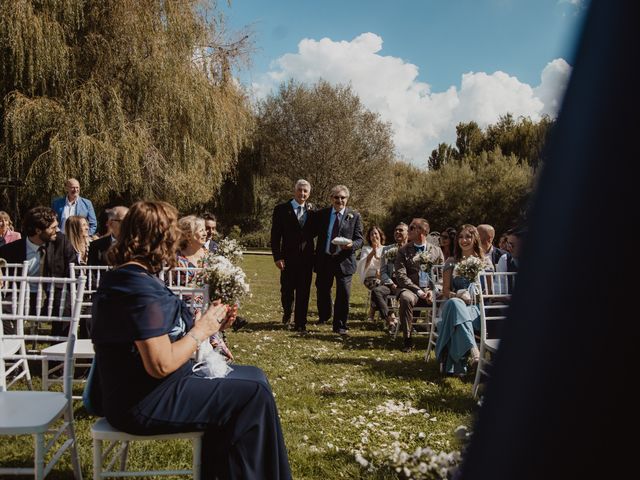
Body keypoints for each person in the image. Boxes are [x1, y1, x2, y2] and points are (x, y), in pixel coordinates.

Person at [90, 200, 291, 479]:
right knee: (252, 396)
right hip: (144, 401)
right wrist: (201, 331)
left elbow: (159, 337)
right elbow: (159, 364)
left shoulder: (132, 276)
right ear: (160, 238)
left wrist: (208, 323)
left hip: (152, 388)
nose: (176, 241)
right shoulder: (136, 287)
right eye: (172, 234)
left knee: (256, 377)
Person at [0, 206, 76, 336]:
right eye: (52, 228)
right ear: (38, 230)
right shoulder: (11, 250)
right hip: (20, 295)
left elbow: (75, 268)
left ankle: (58, 354)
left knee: (65, 308)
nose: (57, 231)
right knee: (2, 311)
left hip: (53, 294)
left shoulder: (61, 242)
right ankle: (13, 351)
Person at [435, 224, 493, 375]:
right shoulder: (451, 261)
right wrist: (458, 295)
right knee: (455, 303)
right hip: (453, 304)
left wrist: (476, 294)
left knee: (458, 315)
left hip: (477, 308)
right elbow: (446, 290)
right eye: (461, 237)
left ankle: (456, 361)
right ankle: (475, 354)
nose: (464, 240)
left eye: (468, 236)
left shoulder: (485, 261)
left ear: (475, 239)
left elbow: (489, 292)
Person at [313, 185, 363, 335]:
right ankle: (325, 315)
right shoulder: (322, 214)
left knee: (343, 294)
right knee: (322, 289)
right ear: (331, 198)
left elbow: (360, 240)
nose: (339, 200)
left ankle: (340, 325)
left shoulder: (354, 216)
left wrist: (351, 245)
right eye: (336, 197)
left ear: (347, 199)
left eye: (342, 198)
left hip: (344, 260)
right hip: (325, 259)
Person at [270, 179, 315, 332]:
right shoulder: (281, 209)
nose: (302, 193)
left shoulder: (313, 210)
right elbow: (275, 236)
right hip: (287, 259)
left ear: (308, 194)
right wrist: (277, 257)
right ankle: (288, 312)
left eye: (305, 191)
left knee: (304, 291)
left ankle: (300, 322)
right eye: (300, 190)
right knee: (287, 290)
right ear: (294, 191)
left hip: (306, 259)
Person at [394, 218, 444, 352]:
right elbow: (401, 276)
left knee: (448, 298)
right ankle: (408, 339)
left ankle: (441, 338)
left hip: (432, 290)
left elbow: (442, 276)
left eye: (411, 228)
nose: (408, 231)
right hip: (411, 289)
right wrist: (419, 291)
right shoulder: (403, 251)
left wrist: (434, 290)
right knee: (405, 298)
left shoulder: (437, 251)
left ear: (422, 231)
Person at [371, 222, 409, 331]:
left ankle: (408, 323)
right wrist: (390, 283)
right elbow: (383, 271)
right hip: (390, 283)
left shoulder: (411, 249)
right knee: (376, 291)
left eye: (401, 230)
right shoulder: (387, 249)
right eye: (396, 230)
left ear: (408, 233)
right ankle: (390, 320)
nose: (397, 232)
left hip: (406, 284)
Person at [356, 225, 385, 321]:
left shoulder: (386, 249)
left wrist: (381, 272)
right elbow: (364, 263)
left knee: (383, 285)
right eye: (371, 234)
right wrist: (373, 251)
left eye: (376, 233)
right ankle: (374, 313)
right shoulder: (366, 249)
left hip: (383, 277)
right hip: (370, 278)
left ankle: (375, 312)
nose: (374, 236)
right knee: (377, 285)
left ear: (380, 235)